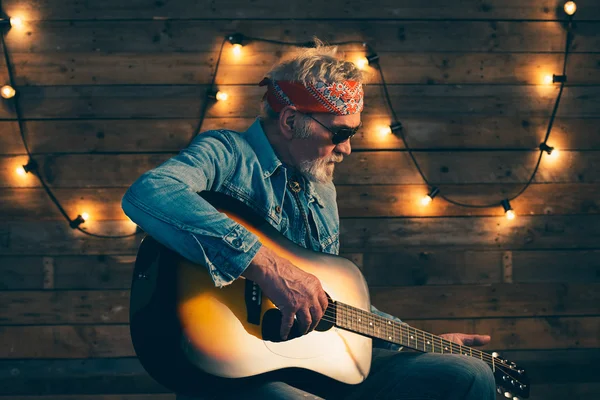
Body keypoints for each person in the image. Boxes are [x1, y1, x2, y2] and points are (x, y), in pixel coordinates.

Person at [121, 38, 496, 400]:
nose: (347, 148)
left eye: (353, 133)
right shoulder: (227, 153)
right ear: (289, 121)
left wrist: (418, 341)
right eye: (340, 133)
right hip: (231, 371)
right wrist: (267, 266)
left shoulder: (321, 186)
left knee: (467, 374)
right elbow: (151, 192)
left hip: (312, 365)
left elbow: (326, 299)